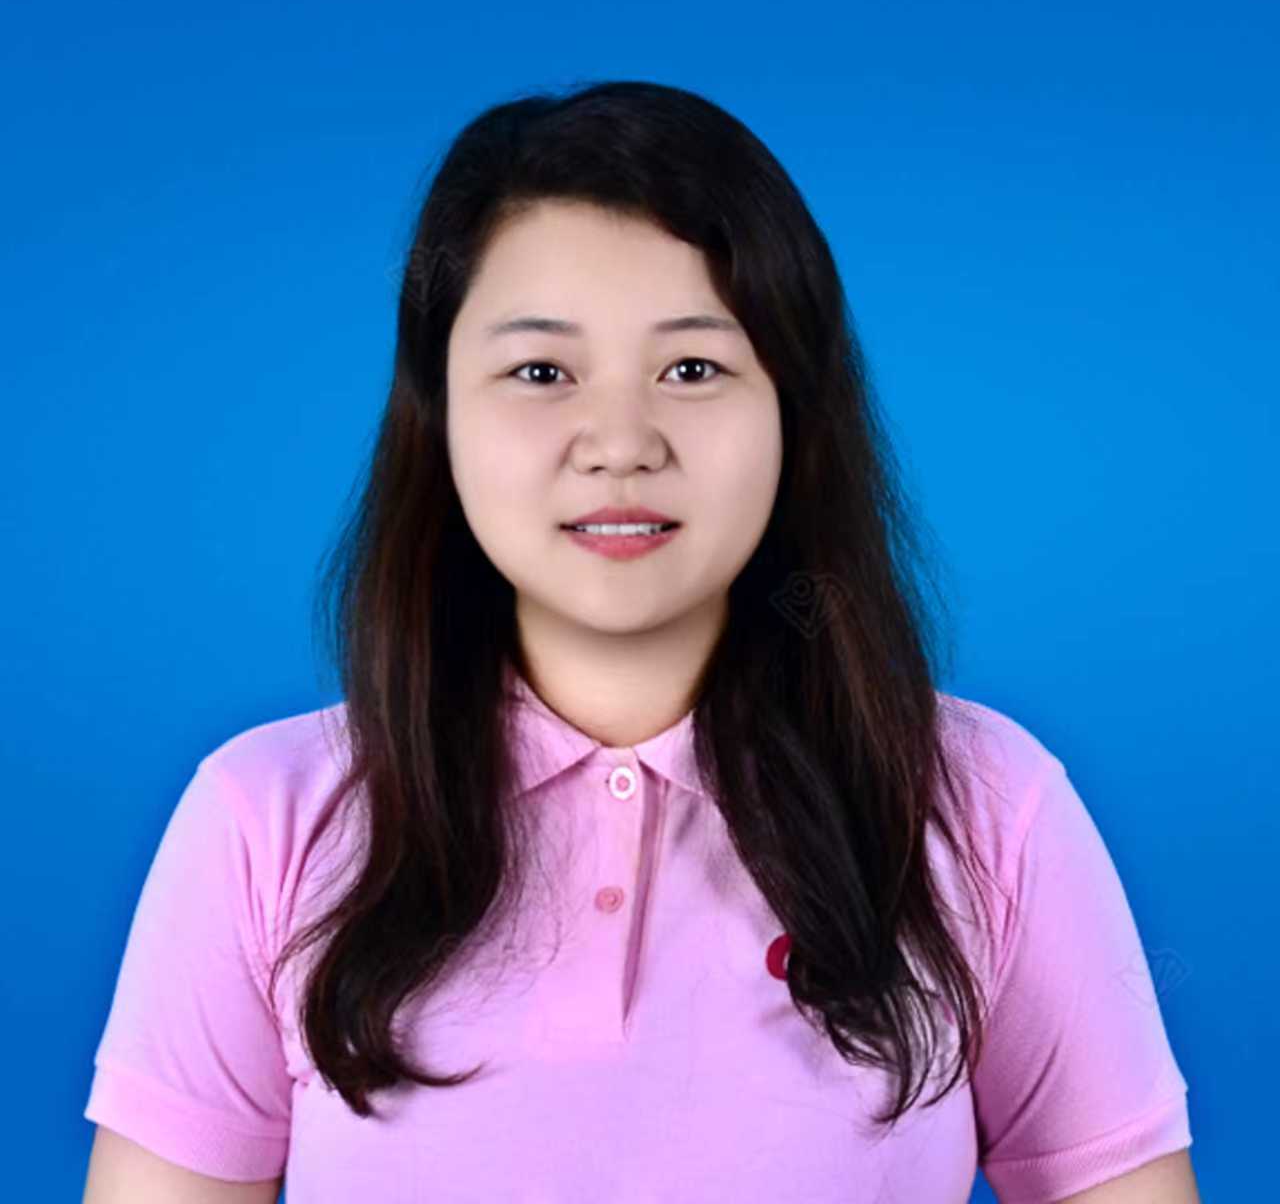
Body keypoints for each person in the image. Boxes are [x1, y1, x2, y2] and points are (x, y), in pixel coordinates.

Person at [82, 79, 1200, 1203]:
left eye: (692, 369)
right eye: (540, 372)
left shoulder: (985, 808)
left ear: (792, 412)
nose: (619, 442)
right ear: (438, 416)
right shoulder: (265, 823)